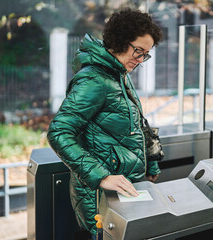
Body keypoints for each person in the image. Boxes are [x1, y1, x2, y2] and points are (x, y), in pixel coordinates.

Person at [47, 8, 163, 239]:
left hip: (123, 188)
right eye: (137, 51)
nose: (139, 60)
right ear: (120, 40)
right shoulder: (94, 79)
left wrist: (151, 162)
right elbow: (59, 131)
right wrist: (101, 176)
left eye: (145, 55)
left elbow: (136, 123)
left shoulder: (119, 74)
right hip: (98, 194)